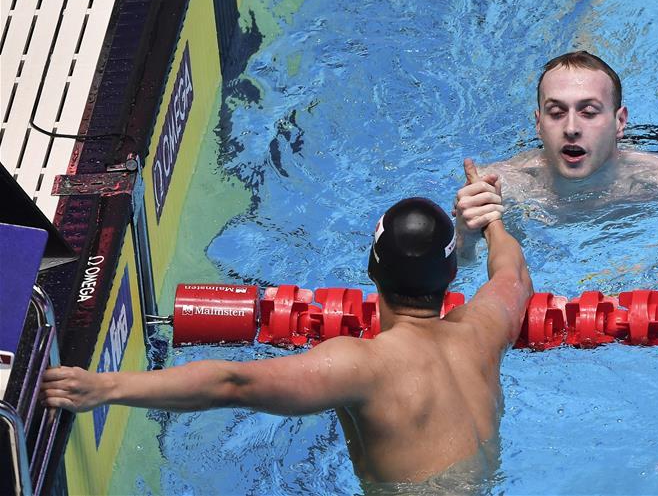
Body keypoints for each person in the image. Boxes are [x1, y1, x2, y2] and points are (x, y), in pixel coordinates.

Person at [42, 167, 532, 490]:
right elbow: (512, 274)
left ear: (372, 271)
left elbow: (232, 382)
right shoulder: (483, 330)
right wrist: (491, 221)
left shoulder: (364, 365)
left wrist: (104, 387)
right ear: (451, 274)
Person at [454, 50, 658, 257]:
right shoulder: (503, 186)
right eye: (556, 113)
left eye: (588, 112)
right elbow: (453, 271)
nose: (571, 128)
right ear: (538, 124)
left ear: (619, 122)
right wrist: (465, 234)